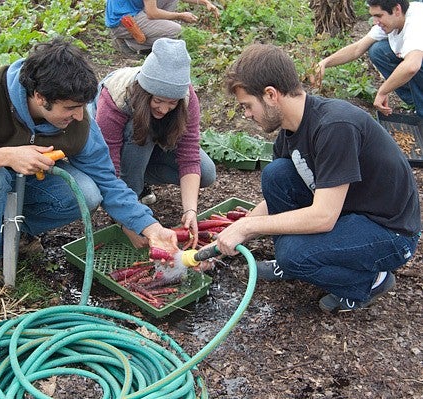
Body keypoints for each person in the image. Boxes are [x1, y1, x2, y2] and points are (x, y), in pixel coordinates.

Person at [0, 37, 178, 289]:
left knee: (87, 193)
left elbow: (107, 182)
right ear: (39, 96)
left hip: (28, 180)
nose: (79, 116)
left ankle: (18, 233)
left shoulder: (79, 120)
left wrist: (151, 228)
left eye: (82, 107)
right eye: (70, 108)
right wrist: (8, 156)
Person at [218, 43, 420, 313]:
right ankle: (291, 262)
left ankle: (370, 282)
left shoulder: (334, 127)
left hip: (389, 230)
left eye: (247, 106)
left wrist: (247, 229)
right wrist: (236, 231)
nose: (246, 114)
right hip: (350, 210)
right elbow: (276, 198)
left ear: (270, 95)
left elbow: (323, 217)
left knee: (293, 254)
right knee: (276, 174)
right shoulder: (291, 129)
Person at [92, 38, 216, 248]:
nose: (164, 109)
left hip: (148, 146)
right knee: (141, 131)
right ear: (145, 92)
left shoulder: (187, 97)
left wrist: (190, 211)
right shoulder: (116, 96)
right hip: (118, 146)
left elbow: (189, 155)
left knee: (206, 172)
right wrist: (128, 223)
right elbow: (106, 167)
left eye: (171, 103)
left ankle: (138, 176)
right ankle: (131, 192)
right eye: (157, 100)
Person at [313, 0, 423, 118]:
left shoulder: (416, 21)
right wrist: (324, 62)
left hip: (417, 62)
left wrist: (383, 91)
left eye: (379, 16)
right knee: (378, 51)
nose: (375, 22)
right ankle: (416, 100)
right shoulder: (392, 21)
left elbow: (412, 66)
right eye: (373, 16)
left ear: (397, 10)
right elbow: (357, 48)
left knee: (414, 61)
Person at [105, 0, 220, 57]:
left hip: (133, 11)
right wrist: (180, 16)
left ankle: (159, 32)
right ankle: (130, 44)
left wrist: (205, 2)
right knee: (176, 30)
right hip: (123, 21)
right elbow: (152, 13)